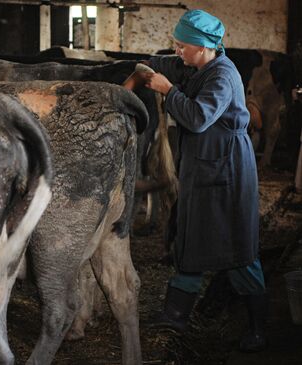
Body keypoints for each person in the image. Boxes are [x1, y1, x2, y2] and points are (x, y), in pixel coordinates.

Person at [131, 9, 267, 352]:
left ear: (204, 46)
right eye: (175, 45)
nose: (177, 51)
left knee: (237, 250)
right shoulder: (197, 65)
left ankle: (257, 328)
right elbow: (162, 65)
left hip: (227, 172)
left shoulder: (222, 75)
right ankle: (175, 314)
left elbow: (197, 118)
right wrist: (141, 70)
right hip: (203, 168)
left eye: (182, 45)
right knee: (191, 240)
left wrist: (168, 91)